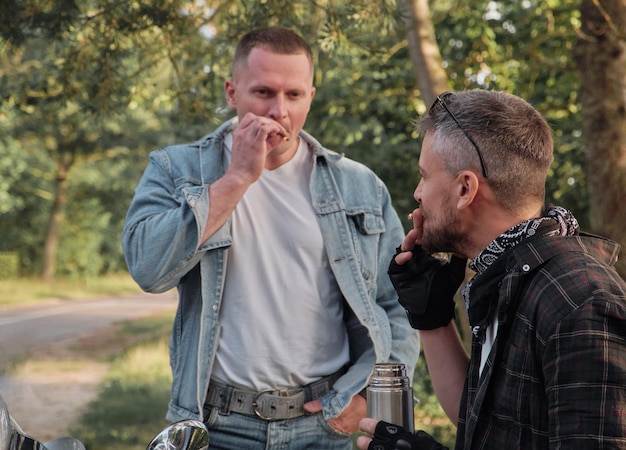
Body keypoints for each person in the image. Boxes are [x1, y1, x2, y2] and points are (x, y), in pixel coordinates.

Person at [122, 27, 419, 450]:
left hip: (324, 424)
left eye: (294, 95)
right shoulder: (177, 169)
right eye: (263, 92)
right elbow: (148, 270)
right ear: (231, 92)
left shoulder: (359, 186)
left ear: (310, 96)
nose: (279, 110)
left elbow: (398, 304)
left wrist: (367, 395)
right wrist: (237, 178)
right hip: (219, 425)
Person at [357, 89, 626, 450]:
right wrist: (432, 319)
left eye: (424, 176)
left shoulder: (580, 302)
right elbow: (483, 425)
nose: (418, 193)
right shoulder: (511, 275)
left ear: (465, 188)